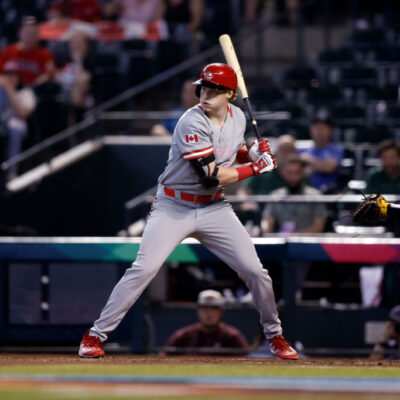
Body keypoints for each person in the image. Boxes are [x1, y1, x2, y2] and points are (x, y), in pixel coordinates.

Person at [79, 63, 298, 360]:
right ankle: (95, 335)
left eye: (215, 90)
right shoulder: (190, 122)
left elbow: (231, 151)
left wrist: (252, 154)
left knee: (256, 273)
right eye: (204, 88)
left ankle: (275, 336)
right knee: (143, 268)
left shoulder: (237, 118)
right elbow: (210, 175)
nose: (206, 94)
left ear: (231, 95)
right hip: (174, 205)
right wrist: (256, 168)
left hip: (214, 207)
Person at [162, 289, 248, 355]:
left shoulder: (232, 337)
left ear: (221, 312)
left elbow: (247, 366)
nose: (209, 313)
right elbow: (162, 360)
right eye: (204, 308)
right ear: (198, 310)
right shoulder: (182, 336)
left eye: (214, 308)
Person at [261, 157, 327, 234]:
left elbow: (318, 226)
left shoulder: (316, 196)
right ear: (283, 173)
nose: (293, 177)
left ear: (303, 173)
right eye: (289, 173)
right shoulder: (275, 196)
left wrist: (296, 238)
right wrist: (267, 232)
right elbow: (267, 221)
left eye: (296, 173)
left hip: (307, 243)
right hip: (282, 242)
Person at [0, 61, 37, 178]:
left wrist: (10, 90)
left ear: (19, 78)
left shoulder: (26, 92)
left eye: (13, 75)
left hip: (18, 126)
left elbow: (23, 113)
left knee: (13, 127)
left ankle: (11, 171)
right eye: (8, 74)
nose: (10, 78)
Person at [0, 17, 55, 87]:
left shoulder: (45, 54)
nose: (30, 37)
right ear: (20, 33)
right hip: (7, 88)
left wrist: (42, 80)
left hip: (32, 91)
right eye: (28, 33)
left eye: (34, 33)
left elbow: (50, 74)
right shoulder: (8, 50)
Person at [56, 30, 95, 124]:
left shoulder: (90, 62)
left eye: (79, 43)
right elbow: (56, 77)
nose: (75, 46)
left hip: (83, 97)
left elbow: (83, 82)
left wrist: (78, 61)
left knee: (77, 91)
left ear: (87, 46)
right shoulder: (63, 60)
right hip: (63, 93)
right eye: (73, 43)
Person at [299, 117, 343, 193]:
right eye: (316, 128)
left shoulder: (336, 149)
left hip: (328, 194)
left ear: (330, 131)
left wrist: (308, 159)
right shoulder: (302, 149)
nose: (319, 131)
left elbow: (329, 167)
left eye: (323, 128)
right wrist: (321, 165)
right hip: (305, 194)